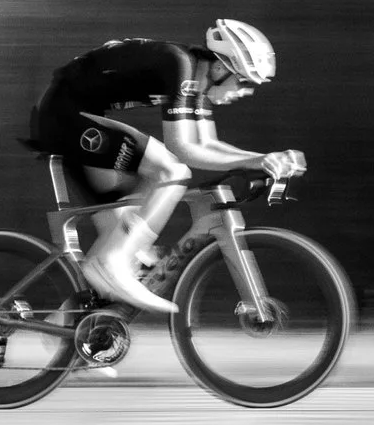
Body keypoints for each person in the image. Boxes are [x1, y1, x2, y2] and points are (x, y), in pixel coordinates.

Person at [27, 20, 306, 314]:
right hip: (64, 118)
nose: (246, 92)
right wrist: (254, 161)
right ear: (222, 68)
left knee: (129, 252)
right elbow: (183, 149)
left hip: (73, 119)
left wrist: (260, 159)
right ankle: (110, 263)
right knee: (171, 171)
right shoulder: (180, 65)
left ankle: (78, 334)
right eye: (245, 81)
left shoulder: (196, 81)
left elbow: (207, 144)